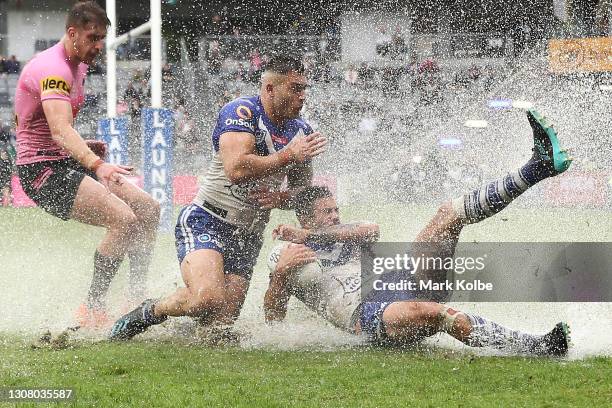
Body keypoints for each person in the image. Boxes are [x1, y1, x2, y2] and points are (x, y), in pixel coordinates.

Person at [264, 109, 572, 356]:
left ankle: (538, 167)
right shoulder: (285, 254)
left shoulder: (341, 232)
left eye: (335, 210)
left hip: (399, 280)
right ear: (305, 217)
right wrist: (279, 277)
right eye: (326, 213)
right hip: (369, 312)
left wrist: (310, 236)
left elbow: (371, 230)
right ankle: (539, 346)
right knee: (434, 313)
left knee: (447, 215)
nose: (335, 216)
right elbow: (273, 322)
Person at [109, 55, 328, 340]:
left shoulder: (301, 130)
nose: (302, 97)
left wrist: (282, 197)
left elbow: (301, 195)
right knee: (206, 299)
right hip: (207, 220)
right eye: (295, 88)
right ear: (271, 88)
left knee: (218, 329)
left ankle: (182, 324)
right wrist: (288, 155)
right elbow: (236, 169)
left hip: (248, 234)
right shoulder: (242, 111)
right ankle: (150, 310)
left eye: (304, 89)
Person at [13, 1, 160, 329]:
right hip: (41, 171)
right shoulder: (54, 69)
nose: (98, 46)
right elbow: (60, 129)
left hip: (61, 159)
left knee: (149, 209)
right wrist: (96, 163)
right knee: (123, 220)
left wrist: (84, 148)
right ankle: (92, 309)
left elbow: (43, 123)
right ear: (72, 32)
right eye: (93, 38)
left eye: (102, 38)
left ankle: (134, 296)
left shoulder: (76, 63)